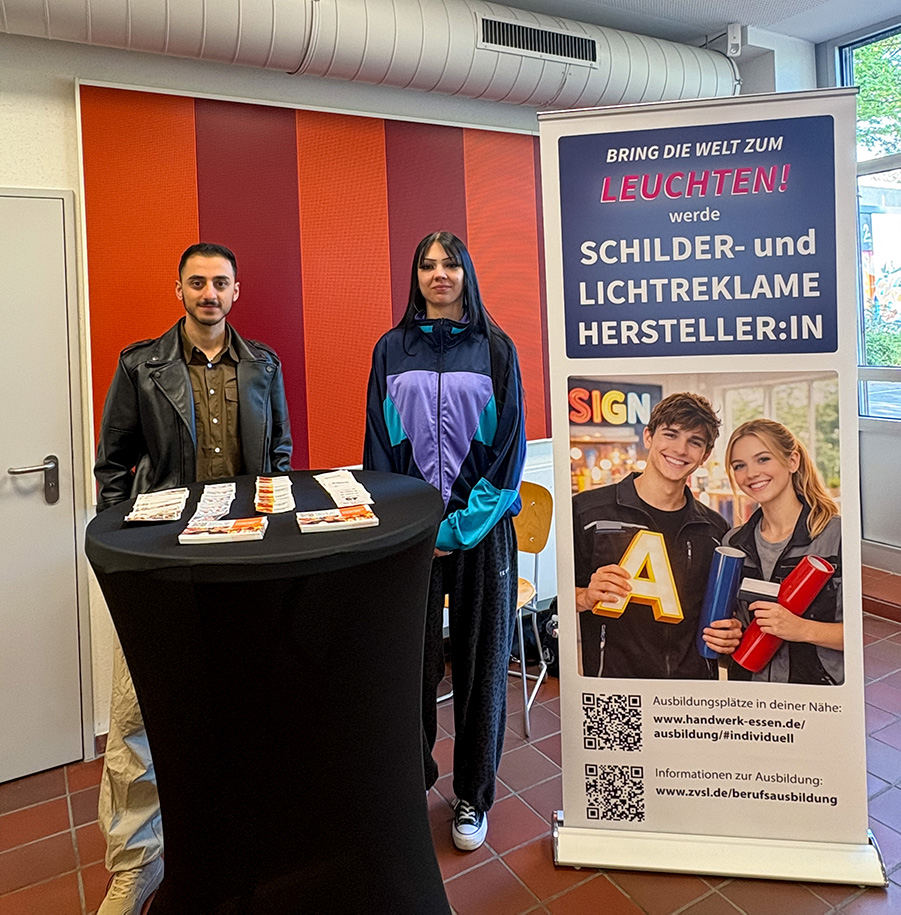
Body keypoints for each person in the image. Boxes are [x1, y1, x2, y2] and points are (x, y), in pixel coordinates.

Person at [93, 242, 292, 914]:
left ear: (237, 291)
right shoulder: (141, 366)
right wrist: (126, 547)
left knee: (242, 705)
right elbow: (114, 465)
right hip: (161, 563)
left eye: (220, 283)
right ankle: (136, 863)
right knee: (133, 716)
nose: (210, 293)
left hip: (243, 560)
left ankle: (237, 840)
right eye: (197, 282)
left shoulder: (264, 365)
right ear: (177, 289)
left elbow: (279, 457)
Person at [363, 231, 526, 852]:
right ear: (416, 276)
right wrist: (414, 528)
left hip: (482, 533)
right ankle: (411, 784)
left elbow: (508, 454)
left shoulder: (497, 349)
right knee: (410, 666)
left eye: (450, 264)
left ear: (466, 274)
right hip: (413, 538)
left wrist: (457, 528)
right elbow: (379, 449)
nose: (439, 274)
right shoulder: (390, 349)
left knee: (483, 667)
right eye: (427, 265)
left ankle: (472, 796)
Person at [573, 392, 742, 678]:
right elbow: (555, 601)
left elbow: (723, 615)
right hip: (616, 686)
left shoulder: (715, 530)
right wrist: (586, 597)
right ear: (649, 437)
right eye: (671, 434)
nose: (680, 449)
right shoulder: (586, 512)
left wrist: (730, 632)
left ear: (705, 455)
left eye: (694, 442)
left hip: (692, 689)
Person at [724, 419, 843, 684]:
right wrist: (726, 636)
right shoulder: (733, 543)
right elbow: (733, 630)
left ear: (792, 461)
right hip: (748, 695)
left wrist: (801, 629)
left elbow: (863, 634)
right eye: (739, 466)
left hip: (815, 696)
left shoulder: (837, 536)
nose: (751, 473)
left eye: (763, 459)